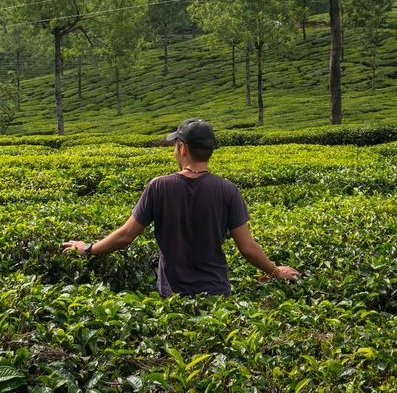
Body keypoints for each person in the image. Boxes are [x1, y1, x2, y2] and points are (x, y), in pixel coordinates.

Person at [62, 118, 300, 296]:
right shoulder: (228, 190)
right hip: (216, 293)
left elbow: (126, 236)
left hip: (173, 294)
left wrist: (89, 249)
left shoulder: (158, 187)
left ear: (183, 148)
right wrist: (275, 271)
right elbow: (247, 248)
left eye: (175, 144)